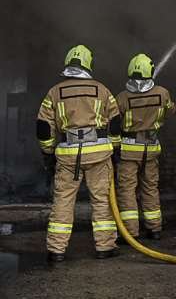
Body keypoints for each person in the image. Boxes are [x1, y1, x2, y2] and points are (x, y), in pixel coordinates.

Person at [36, 44, 122, 263]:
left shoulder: (54, 92)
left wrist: (48, 153)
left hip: (68, 155)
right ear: (89, 64)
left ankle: (56, 250)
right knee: (102, 201)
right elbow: (115, 122)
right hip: (99, 154)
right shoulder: (102, 90)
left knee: (63, 201)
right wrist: (115, 148)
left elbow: (43, 127)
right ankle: (105, 247)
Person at [113, 53, 176, 241]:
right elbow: (170, 111)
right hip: (151, 148)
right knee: (150, 188)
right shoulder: (162, 93)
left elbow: (114, 122)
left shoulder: (122, 97)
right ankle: (154, 229)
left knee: (127, 190)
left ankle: (130, 232)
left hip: (129, 150)